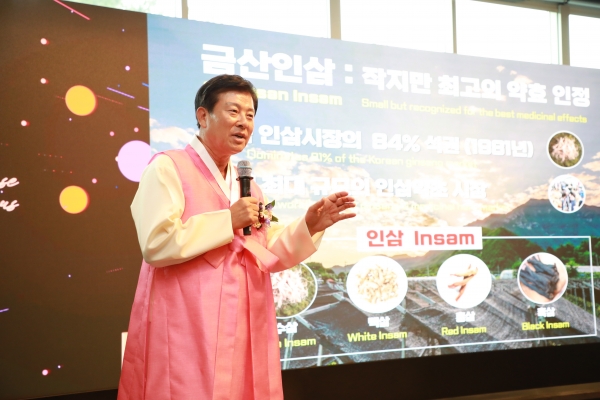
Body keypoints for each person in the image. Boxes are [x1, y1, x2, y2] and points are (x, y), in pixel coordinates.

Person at [118, 74, 356, 400]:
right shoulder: (168, 167)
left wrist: (310, 225)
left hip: (243, 322)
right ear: (203, 116)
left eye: (250, 115)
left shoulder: (249, 187)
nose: (244, 122)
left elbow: (262, 250)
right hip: (187, 323)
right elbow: (156, 243)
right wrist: (228, 220)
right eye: (233, 111)